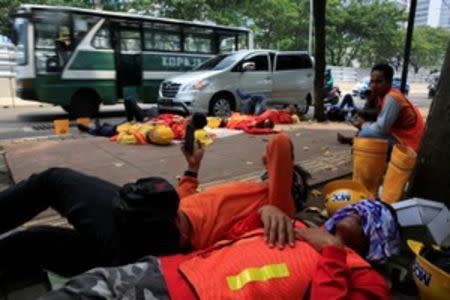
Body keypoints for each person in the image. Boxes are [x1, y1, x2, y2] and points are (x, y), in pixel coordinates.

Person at [0, 133, 307, 278]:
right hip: (141, 239)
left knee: (54, 181)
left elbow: (280, 143)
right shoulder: (254, 197)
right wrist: (192, 170)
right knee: (36, 241)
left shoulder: (279, 208)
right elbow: (190, 205)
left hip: (150, 234)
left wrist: (278, 196)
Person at [40, 200, 400, 300]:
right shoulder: (301, 226)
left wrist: (334, 251)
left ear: (374, 239)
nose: (352, 212)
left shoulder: (365, 276)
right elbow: (231, 238)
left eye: (365, 215)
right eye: (355, 208)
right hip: (170, 270)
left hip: (193, 295)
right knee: (82, 287)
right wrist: (265, 212)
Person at [352, 64, 425, 152]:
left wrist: (363, 125)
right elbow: (375, 115)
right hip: (397, 134)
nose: (374, 85)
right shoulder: (381, 95)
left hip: (409, 143)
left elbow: (381, 128)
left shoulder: (392, 98)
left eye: (379, 82)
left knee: (365, 133)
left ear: (389, 82)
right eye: (372, 81)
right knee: (364, 131)